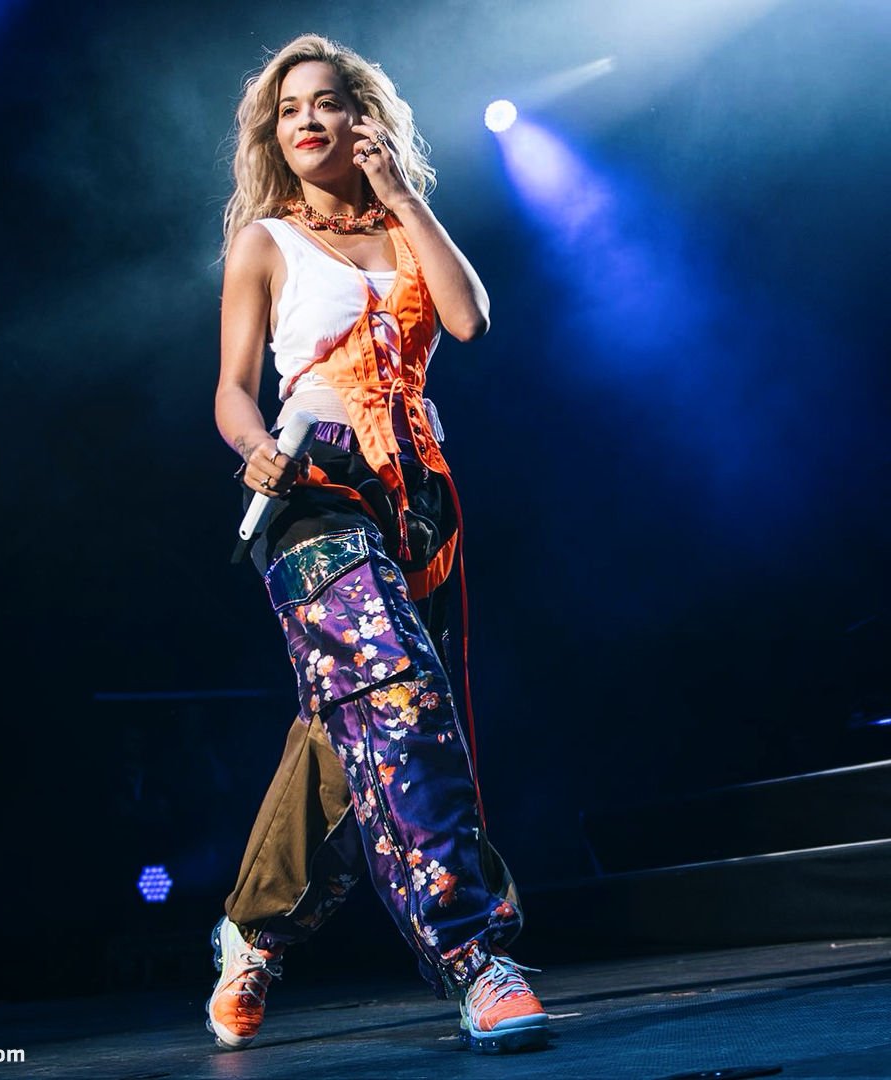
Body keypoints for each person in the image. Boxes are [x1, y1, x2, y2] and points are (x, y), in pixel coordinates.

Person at [210, 34, 550, 1055]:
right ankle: (473, 954)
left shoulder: (405, 226)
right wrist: (257, 449)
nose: (306, 121)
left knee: (344, 728)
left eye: (325, 102)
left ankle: (252, 935)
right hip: (313, 494)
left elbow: (469, 320)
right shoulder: (266, 241)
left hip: (417, 504)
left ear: (361, 117)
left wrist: (400, 195)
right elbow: (231, 391)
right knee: (399, 700)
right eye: (288, 110)